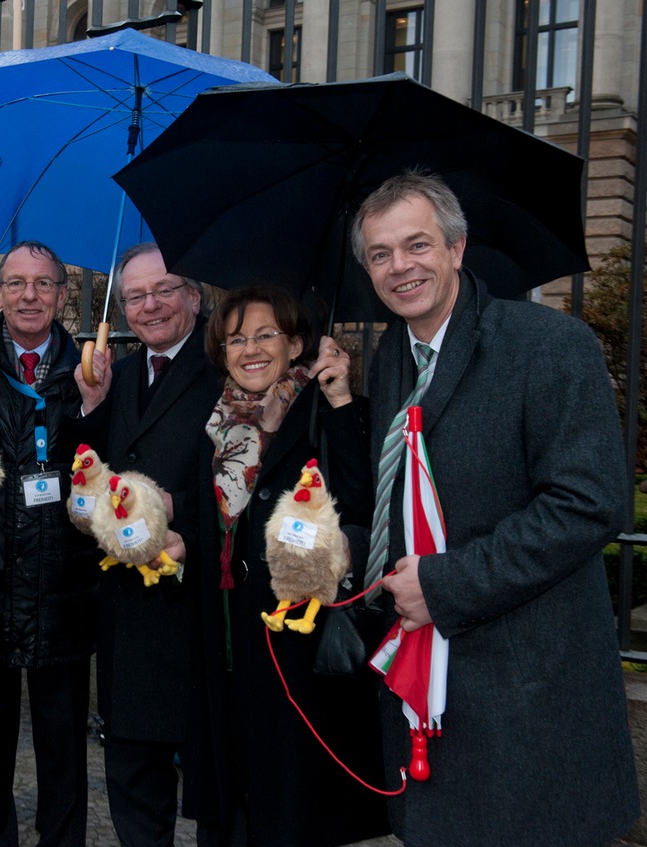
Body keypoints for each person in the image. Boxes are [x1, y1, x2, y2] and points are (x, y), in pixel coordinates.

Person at [354, 170, 639, 846]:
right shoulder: (390, 358)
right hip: (428, 694)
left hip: (527, 700)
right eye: (380, 254)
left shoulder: (547, 345)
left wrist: (445, 585)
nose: (400, 267)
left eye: (416, 245)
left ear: (456, 248)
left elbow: (589, 503)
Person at [193, 286, 389, 846]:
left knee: (292, 804)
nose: (250, 349)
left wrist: (342, 401)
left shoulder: (329, 411)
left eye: (265, 335)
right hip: (229, 640)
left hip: (297, 641)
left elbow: (364, 506)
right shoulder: (216, 423)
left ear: (297, 342)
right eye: (236, 339)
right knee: (233, 800)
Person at [71, 242, 223, 846]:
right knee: (135, 788)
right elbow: (84, 473)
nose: (150, 305)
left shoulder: (231, 363)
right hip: (127, 615)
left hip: (200, 609)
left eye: (164, 289)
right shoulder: (119, 373)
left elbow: (256, 476)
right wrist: (90, 407)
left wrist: (177, 512)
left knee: (217, 793)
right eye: (135, 295)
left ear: (194, 294)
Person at [0, 241, 97, 846]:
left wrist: (93, 410)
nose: (29, 296)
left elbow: (108, 468)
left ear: (62, 297)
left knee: (63, 741)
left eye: (43, 285)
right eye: (16, 283)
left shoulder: (90, 371)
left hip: (61, 581)